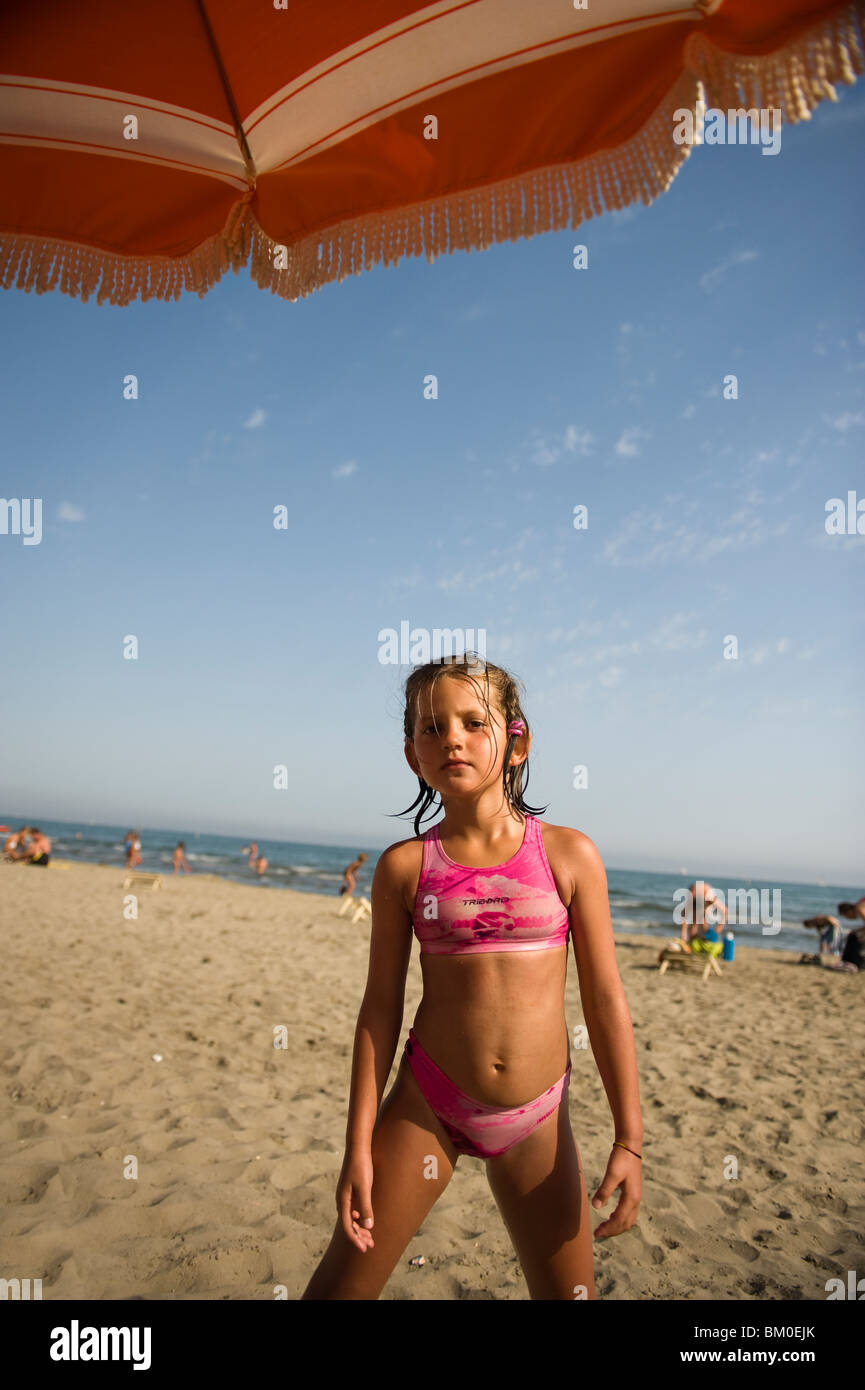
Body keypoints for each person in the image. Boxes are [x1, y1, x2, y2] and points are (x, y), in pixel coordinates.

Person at [302, 654, 642, 1301]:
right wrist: (357, 1147)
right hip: (429, 1103)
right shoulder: (405, 867)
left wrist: (630, 1137)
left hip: (537, 1118)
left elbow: (603, 1000)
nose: (451, 739)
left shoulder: (569, 856)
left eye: (472, 723)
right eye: (431, 728)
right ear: (412, 755)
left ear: (517, 743)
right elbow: (379, 1008)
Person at [680, 880, 727, 955]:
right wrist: (684, 937)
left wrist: (719, 928)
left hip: (706, 897)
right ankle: (692, 943)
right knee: (694, 925)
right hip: (698, 897)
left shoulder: (709, 897)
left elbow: (725, 911)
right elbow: (684, 918)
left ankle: (701, 942)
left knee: (702, 923)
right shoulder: (692, 898)